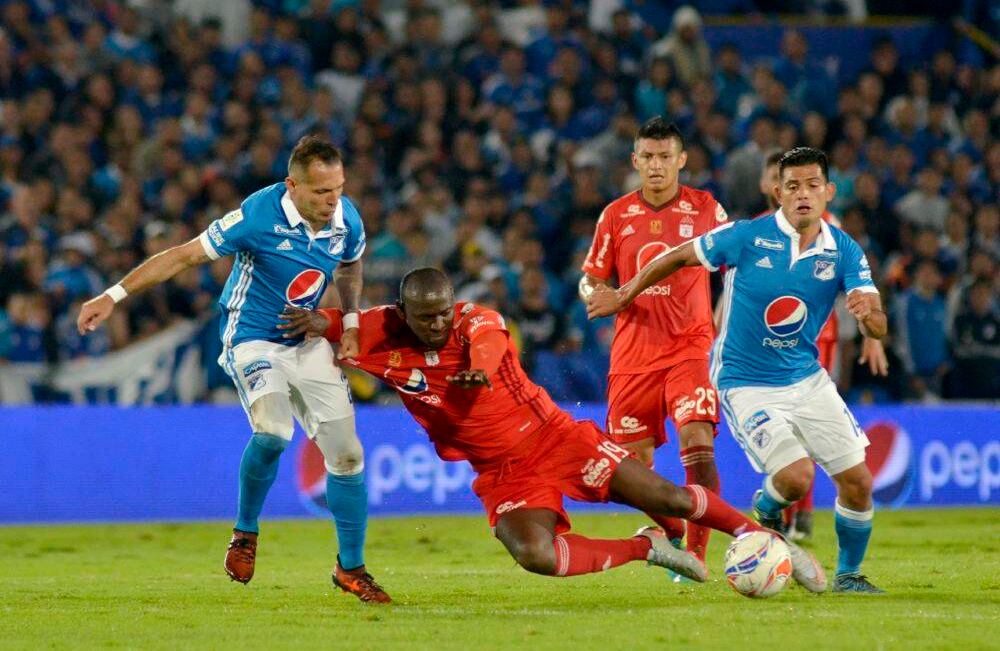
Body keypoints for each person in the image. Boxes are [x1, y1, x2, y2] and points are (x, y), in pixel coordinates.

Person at [279, 268, 826, 590]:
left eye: (445, 313)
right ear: (404, 311)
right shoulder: (377, 330)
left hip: (554, 436)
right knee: (537, 556)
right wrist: (313, 326)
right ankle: (648, 550)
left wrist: (482, 370)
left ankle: (771, 541)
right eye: (427, 318)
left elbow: (491, 344)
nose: (439, 323)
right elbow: (328, 323)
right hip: (502, 473)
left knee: (670, 496)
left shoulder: (476, 322)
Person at [76, 136, 389, 603]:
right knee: (274, 432)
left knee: (348, 456)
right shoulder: (257, 216)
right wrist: (112, 296)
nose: (333, 201)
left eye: (339, 189)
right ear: (293, 185)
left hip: (304, 341)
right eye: (322, 192)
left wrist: (347, 321)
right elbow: (182, 255)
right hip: (252, 339)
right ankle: (245, 533)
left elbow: (349, 266)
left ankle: (352, 569)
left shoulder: (347, 218)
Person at [589, 147, 889, 594]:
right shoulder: (746, 236)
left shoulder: (844, 250)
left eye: (812, 186)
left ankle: (849, 576)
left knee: (859, 483)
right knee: (796, 476)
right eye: (792, 186)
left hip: (807, 378)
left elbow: (879, 325)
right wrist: (625, 293)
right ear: (776, 192)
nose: (802, 194)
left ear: (828, 192)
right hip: (745, 383)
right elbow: (674, 256)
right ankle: (767, 507)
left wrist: (869, 316)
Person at [579, 117, 728, 565]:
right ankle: (674, 530)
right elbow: (591, 278)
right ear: (635, 161)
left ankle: (696, 558)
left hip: (689, 347)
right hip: (632, 357)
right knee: (629, 473)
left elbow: (737, 267)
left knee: (697, 441)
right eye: (648, 156)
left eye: (665, 156)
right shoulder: (615, 214)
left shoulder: (706, 209)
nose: (657, 165)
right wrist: (594, 296)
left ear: (682, 160)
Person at [756, 150, 889, 541]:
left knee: (803, 427)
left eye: (809, 185)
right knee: (780, 432)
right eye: (777, 180)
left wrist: (871, 335)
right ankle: (788, 506)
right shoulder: (755, 231)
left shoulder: (827, 226)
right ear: (772, 187)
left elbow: (857, 284)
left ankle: (802, 513)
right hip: (763, 349)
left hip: (816, 339)